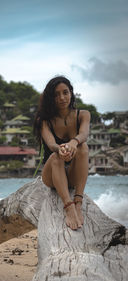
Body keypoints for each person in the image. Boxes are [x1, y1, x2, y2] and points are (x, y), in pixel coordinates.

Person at [33, 76, 90, 230]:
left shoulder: (83, 115)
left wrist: (73, 142)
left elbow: (84, 134)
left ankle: (78, 202)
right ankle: (69, 207)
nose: (62, 98)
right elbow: (51, 144)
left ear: (71, 93)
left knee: (83, 147)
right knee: (56, 156)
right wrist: (61, 149)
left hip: (73, 175)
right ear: (51, 98)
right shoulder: (44, 120)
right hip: (51, 175)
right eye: (56, 94)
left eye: (65, 92)